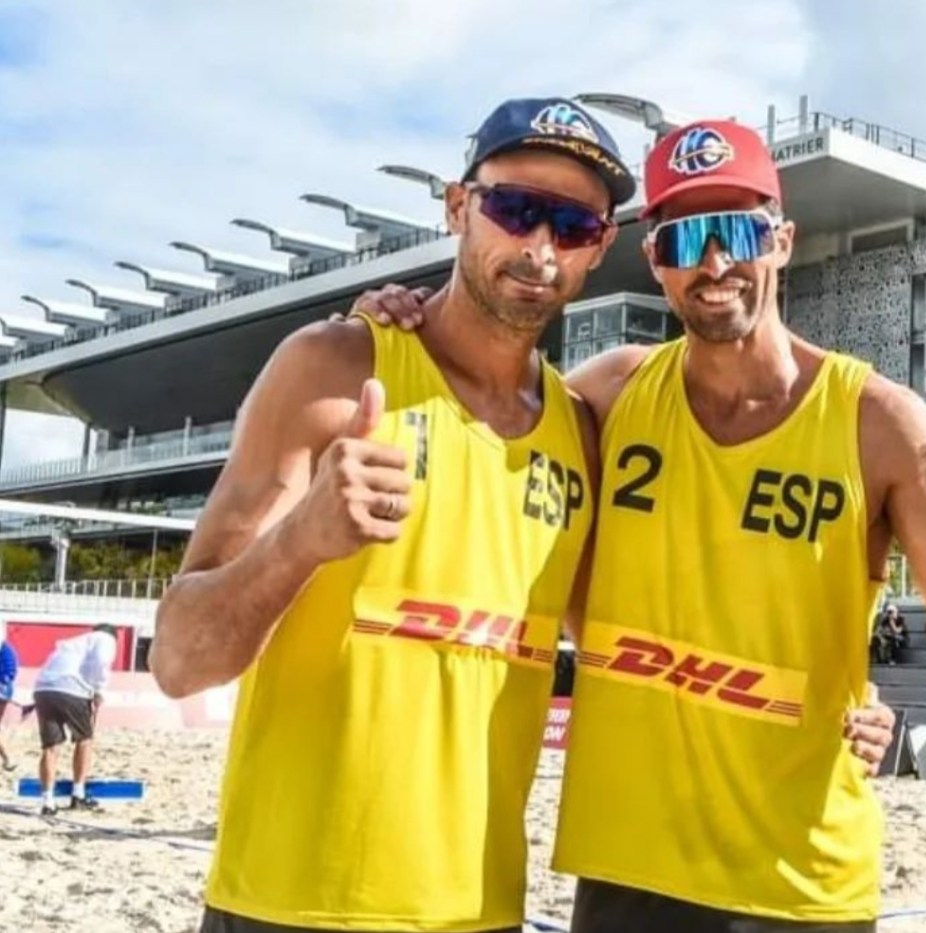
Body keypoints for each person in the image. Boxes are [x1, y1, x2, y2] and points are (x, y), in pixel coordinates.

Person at [358, 117, 926, 931]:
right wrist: (403, 320)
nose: (713, 264)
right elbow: (483, 404)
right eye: (684, 239)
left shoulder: (876, 421)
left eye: (737, 232)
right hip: (628, 869)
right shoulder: (609, 395)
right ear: (654, 260)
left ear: (781, 240)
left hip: (796, 881)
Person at [150, 97, 630, 933]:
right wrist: (300, 541)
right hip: (290, 906)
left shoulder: (581, 432)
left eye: (573, 224)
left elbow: (623, 646)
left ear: (601, 246)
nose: (540, 247)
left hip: (475, 912)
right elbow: (179, 660)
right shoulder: (334, 370)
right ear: (457, 206)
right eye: (514, 208)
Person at [33, 623, 118, 815]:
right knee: (84, 739)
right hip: (71, 688)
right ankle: (78, 794)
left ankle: (48, 802)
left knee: (50, 747)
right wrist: (99, 690)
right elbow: (101, 661)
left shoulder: (71, 643)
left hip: (43, 687)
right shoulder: (106, 639)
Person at [0, 628, 20, 772]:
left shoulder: (5, 650)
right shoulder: (7, 649)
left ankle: (8, 757)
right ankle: (8, 757)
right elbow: (11, 672)